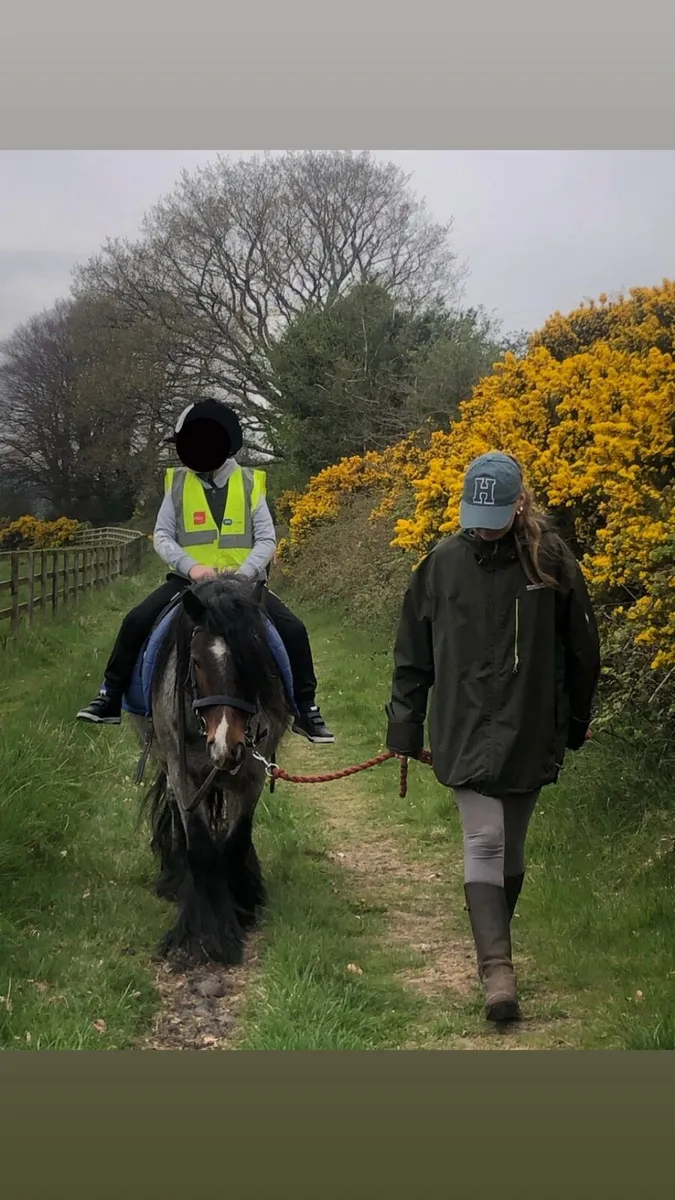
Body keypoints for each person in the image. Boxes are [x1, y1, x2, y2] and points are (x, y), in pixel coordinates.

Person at [385, 451, 600, 1024]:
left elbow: (583, 648)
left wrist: (576, 720)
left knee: (513, 848)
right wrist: (405, 727)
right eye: (475, 516)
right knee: (484, 840)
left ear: (520, 503)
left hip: (530, 727)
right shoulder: (440, 565)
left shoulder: (551, 561)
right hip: (462, 726)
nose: (483, 527)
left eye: (495, 516)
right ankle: (498, 971)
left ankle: (492, 945)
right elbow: (412, 656)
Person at [76, 398, 335, 744]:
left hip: (241, 587)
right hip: (189, 584)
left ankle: (306, 708)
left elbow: (266, 538)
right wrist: (192, 567)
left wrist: (244, 574)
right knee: (136, 620)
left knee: (293, 629)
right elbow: (162, 536)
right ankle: (109, 695)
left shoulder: (249, 483)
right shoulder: (178, 485)